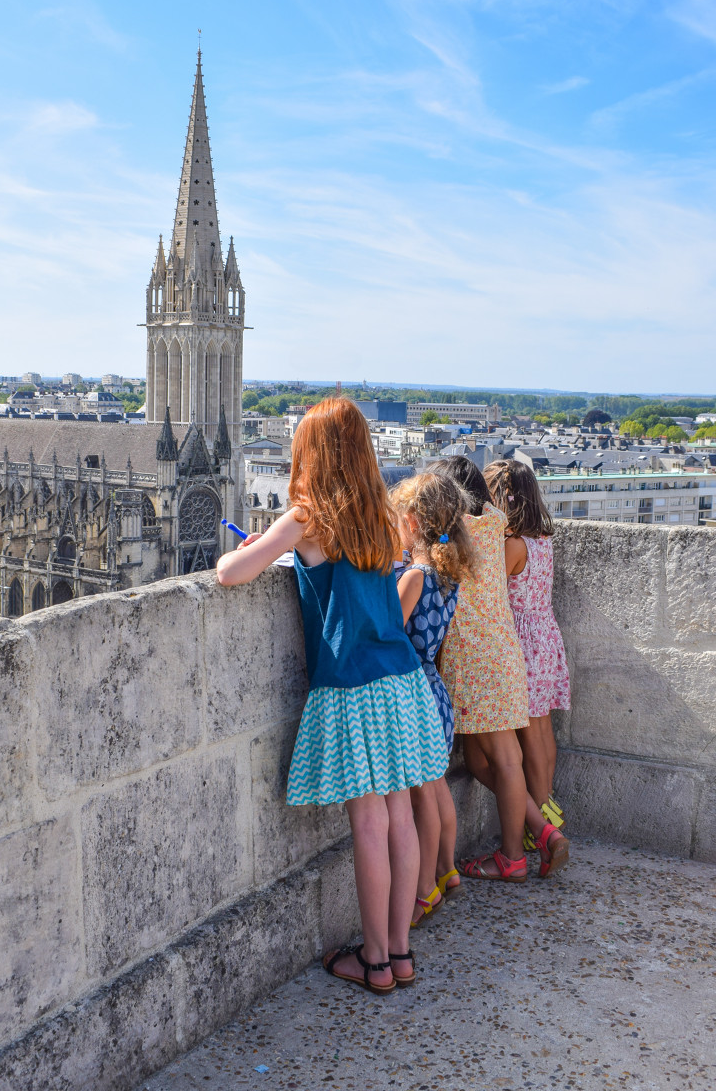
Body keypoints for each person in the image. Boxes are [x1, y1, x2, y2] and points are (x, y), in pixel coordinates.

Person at [217, 398, 448, 993]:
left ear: (311, 456)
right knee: (400, 820)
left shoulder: (307, 517)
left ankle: (372, 962)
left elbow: (231, 574)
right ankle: (398, 953)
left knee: (368, 824)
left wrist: (239, 549)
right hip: (402, 679)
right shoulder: (382, 516)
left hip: (352, 684)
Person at [434, 457, 568, 881]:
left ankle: (513, 856)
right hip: (509, 651)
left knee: (501, 761)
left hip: (475, 659)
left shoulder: (463, 533)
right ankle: (542, 830)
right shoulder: (495, 525)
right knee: (484, 757)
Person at [389, 472, 476, 925]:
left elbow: (387, 632)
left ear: (413, 522)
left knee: (420, 799)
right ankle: (446, 873)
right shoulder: (448, 572)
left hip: (411, 695)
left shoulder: (415, 578)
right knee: (435, 789)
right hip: (434, 691)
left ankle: (423, 891)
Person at [483, 459, 571, 854]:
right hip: (545, 637)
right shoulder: (542, 541)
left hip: (521, 640)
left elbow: (489, 588)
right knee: (542, 729)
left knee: (530, 736)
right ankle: (548, 805)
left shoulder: (513, 545)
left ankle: (540, 819)